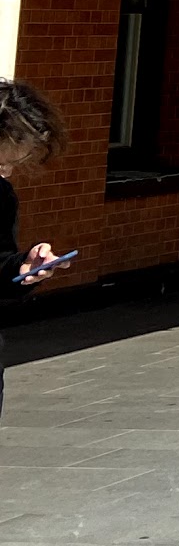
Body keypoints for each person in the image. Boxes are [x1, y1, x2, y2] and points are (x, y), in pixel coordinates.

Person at [0, 81, 69, 413]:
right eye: (0, 161)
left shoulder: (1, 197)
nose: (7, 171)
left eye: (14, 162)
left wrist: (22, 267)